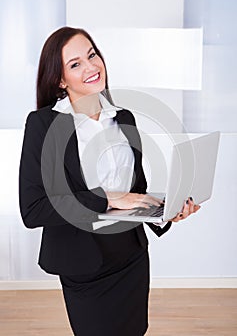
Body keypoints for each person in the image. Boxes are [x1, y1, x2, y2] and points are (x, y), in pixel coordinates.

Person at [19, 27, 200, 336]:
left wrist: (166, 211)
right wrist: (106, 197)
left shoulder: (124, 118)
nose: (91, 66)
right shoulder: (44, 124)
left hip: (131, 257)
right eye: (75, 64)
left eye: (92, 55)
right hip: (84, 264)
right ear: (60, 80)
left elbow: (135, 194)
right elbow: (34, 210)